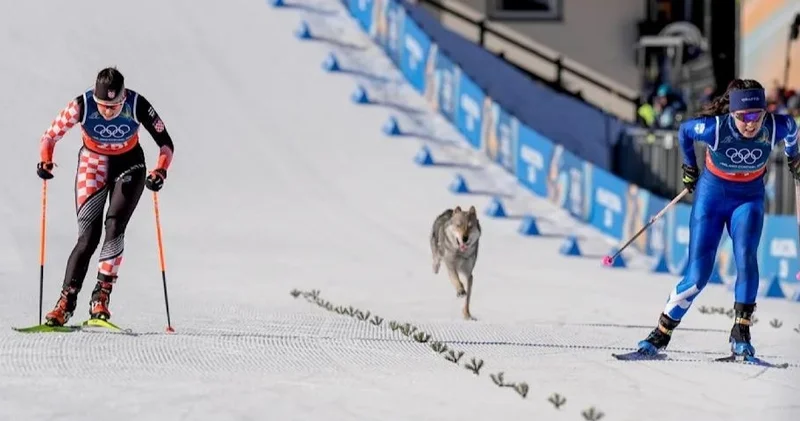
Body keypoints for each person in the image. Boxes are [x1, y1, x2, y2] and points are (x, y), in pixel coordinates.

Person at [637, 79, 798, 357]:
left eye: (756, 115)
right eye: (743, 117)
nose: (751, 124)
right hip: (712, 198)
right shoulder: (715, 128)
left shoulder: (774, 126)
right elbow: (685, 132)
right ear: (732, 114)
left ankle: (741, 333)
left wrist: (794, 157)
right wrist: (689, 168)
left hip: (748, 198)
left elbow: (793, 131)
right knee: (698, 274)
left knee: (746, 257)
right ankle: (661, 333)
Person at [37, 66, 175, 326]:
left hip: (130, 164)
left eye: (115, 105)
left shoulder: (137, 104)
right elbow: (50, 136)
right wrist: (46, 160)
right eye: (103, 105)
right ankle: (66, 302)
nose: (109, 111)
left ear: (123, 98)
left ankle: (101, 296)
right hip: (93, 164)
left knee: (115, 225)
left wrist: (160, 171)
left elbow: (166, 142)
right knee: (87, 238)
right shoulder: (82, 104)